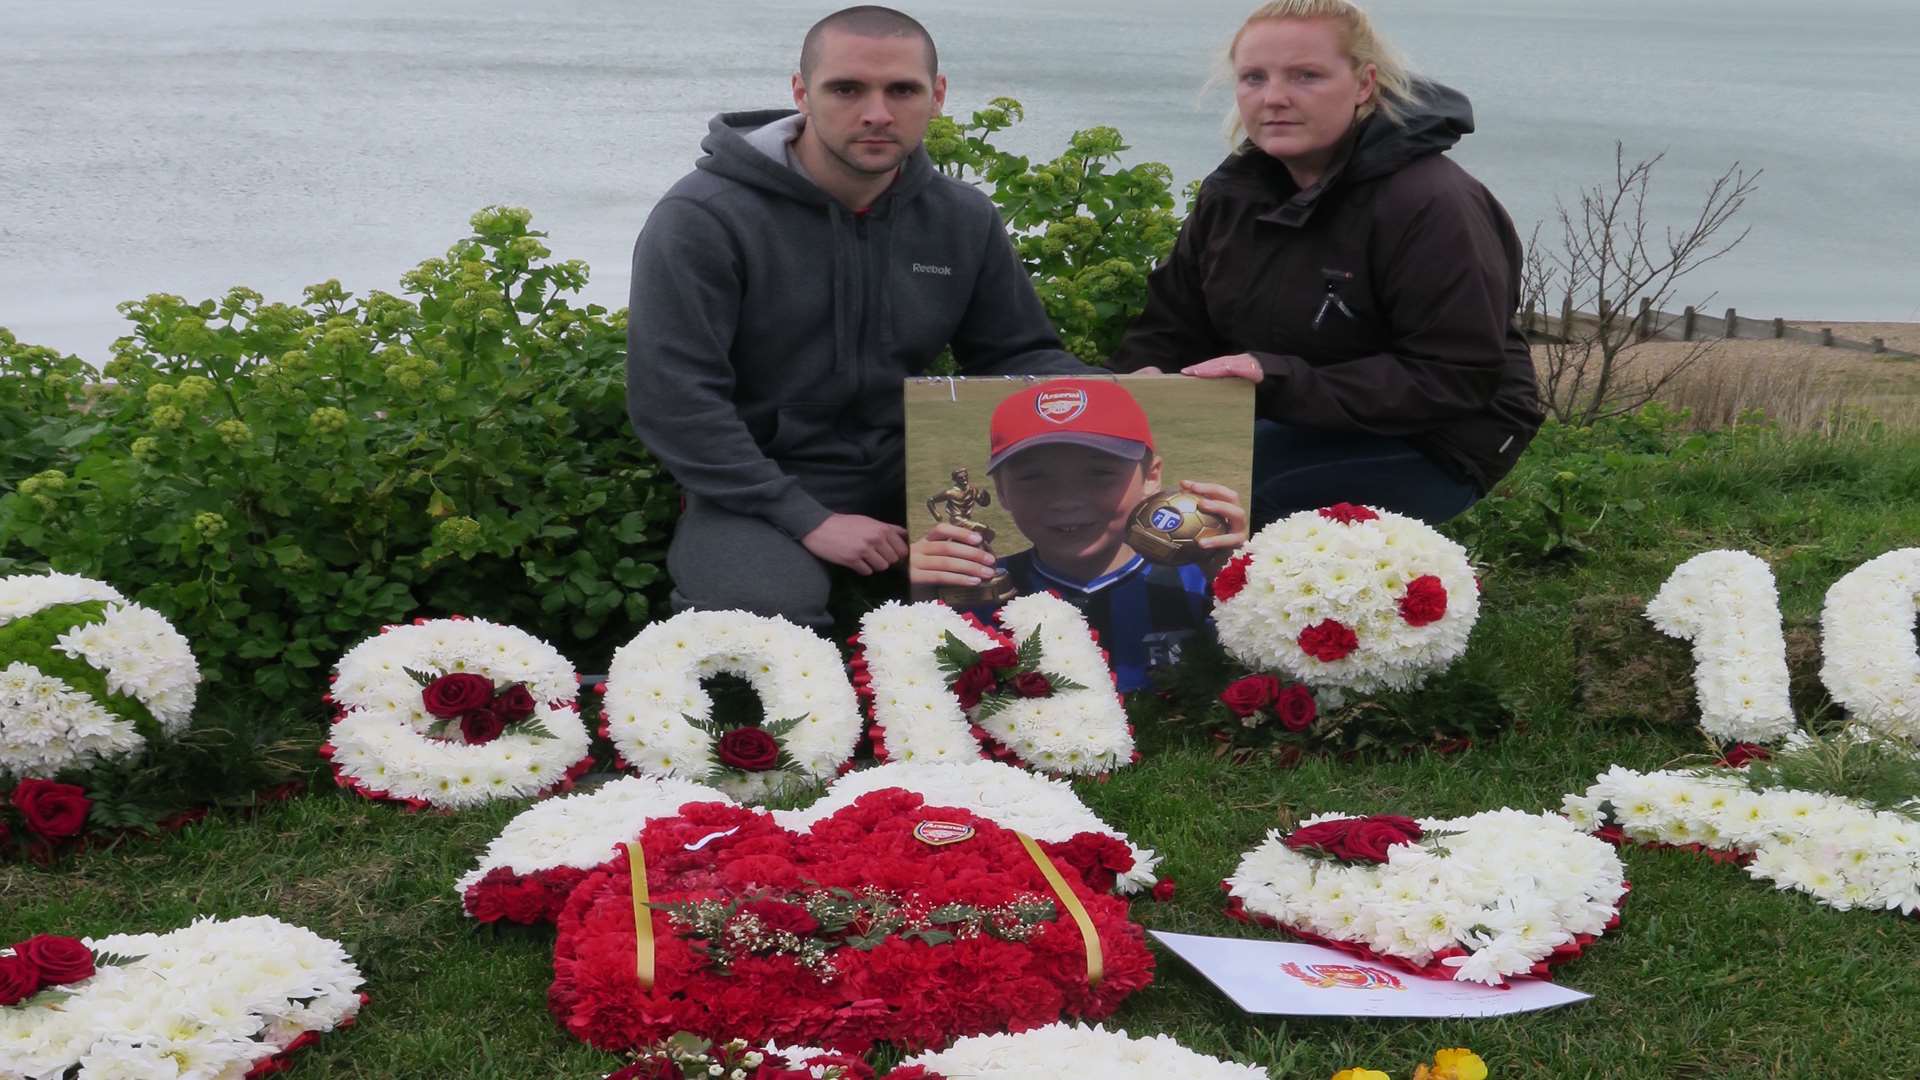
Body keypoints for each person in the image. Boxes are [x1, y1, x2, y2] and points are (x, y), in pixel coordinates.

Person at [626, 6, 1088, 630]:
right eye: (847, 89)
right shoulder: (704, 217)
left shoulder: (960, 216)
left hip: (923, 470)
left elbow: (1013, 355)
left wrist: (1115, 391)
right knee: (761, 615)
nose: (877, 112)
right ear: (801, 92)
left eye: (902, 90)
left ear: (938, 95)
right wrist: (809, 519)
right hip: (757, 485)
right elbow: (676, 400)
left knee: (1061, 571)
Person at [1107, 0, 1545, 528]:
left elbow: (1451, 378)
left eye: (1306, 76)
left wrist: (1276, 379)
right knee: (1112, 477)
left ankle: (1241, 606)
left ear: (1364, 84)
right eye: (1253, 78)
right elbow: (1173, 320)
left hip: (1440, 438)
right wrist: (1147, 374)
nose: (1273, 98)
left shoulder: (1432, 202)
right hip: (1288, 414)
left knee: (1225, 503)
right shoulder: (1233, 192)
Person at [908, 378, 1247, 690]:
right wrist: (917, 607)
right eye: (1033, 478)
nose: (1066, 500)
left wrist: (1249, 590)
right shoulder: (976, 593)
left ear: (1151, 477)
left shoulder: (1200, 583)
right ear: (1001, 491)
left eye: (1099, 473)